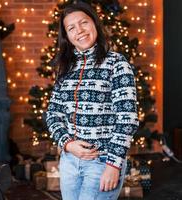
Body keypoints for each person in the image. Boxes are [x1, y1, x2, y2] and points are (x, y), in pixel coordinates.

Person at [45, 2, 139, 200]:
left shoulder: (117, 63)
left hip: (102, 161)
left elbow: (127, 119)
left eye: (83, 23)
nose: (79, 30)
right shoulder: (65, 68)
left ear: (95, 24)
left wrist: (113, 165)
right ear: (67, 37)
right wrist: (67, 144)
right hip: (69, 162)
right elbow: (53, 114)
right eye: (71, 28)